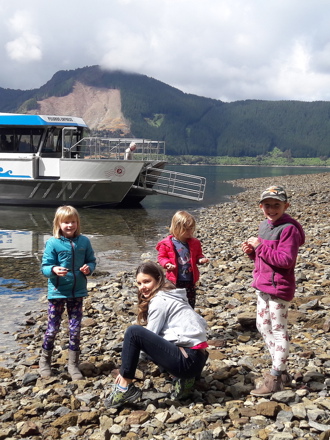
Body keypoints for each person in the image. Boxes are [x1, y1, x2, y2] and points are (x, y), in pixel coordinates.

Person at [104, 261, 209, 408]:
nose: (142, 288)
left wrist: (125, 370)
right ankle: (185, 380)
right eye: (139, 284)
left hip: (187, 361)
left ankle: (124, 387)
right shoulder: (174, 296)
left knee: (133, 332)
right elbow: (202, 323)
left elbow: (146, 337)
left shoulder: (160, 300)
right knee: (153, 338)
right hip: (198, 359)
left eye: (147, 282)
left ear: (158, 279)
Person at [241, 185, 305, 397]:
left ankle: (276, 376)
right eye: (267, 205)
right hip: (263, 285)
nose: (271, 209)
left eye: (276, 205)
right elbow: (266, 258)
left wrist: (260, 247)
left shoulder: (289, 230)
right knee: (262, 325)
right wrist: (253, 253)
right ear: (261, 207)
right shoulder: (264, 226)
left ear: (286, 205)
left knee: (278, 330)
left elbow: (286, 261)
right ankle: (282, 367)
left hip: (279, 287)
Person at [39, 205, 96, 380]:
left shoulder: (84, 241)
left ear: (77, 223)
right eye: (66, 222)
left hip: (77, 292)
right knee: (52, 329)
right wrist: (54, 269)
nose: (70, 225)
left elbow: (92, 261)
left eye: (73, 222)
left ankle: (72, 364)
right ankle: (45, 361)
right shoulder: (52, 242)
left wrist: (89, 269)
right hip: (57, 292)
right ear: (58, 223)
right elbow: (45, 267)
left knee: (75, 329)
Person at [156, 210, 209, 308]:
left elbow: (198, 255)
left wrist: (201, 260)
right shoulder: (166, 243)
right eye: (187, 229)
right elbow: (161, 257)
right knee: (174, 301)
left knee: (190, 301)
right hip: (173, 279)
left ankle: (189, 316)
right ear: (177, 228)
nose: (191, 232)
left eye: (192, 229)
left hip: (190, 279)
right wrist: (167, 264)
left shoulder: (195, 243)